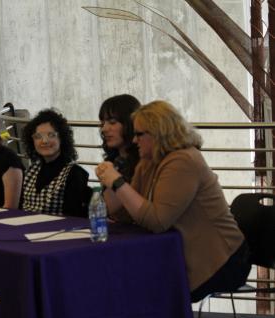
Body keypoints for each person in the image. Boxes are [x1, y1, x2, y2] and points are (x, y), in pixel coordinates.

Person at [96, 100, 251, 302]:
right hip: (182, 253)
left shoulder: (183, 161)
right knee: (124, 280)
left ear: (159, 133)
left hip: (221, 260)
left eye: (139, 134)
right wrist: (110, 180)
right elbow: (123, 211)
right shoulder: (149, 160)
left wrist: (117, 182)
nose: (134, 141)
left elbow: (157, 221)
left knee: (139, 288)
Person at [21, 109, 91, 217]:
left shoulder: (74, 173)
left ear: (61, 138)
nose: (44, 141)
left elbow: (73, 217)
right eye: (38, 136)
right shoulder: (31, 170)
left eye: (51, 135)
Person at [99, 94, 141, 221]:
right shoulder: (114, 160)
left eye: (112, 122)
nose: (104, 129)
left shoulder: (143, 161)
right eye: (102, 123)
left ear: (130, 123)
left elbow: (107, 208)